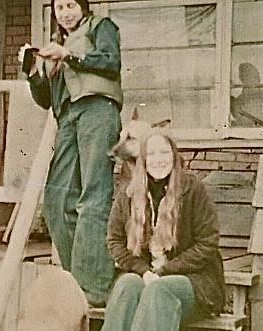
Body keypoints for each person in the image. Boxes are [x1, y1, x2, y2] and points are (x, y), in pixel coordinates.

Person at [19, 0, 123, 307]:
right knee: (56, 199)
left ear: (83, 6)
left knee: (93, 195)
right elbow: (45, 100)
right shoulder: (58, 43)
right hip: (67, 117)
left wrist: (70, 56)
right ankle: (77, 279)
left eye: (70, 5)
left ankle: (94, 289)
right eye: (59, 7)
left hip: (97, 109)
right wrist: (33, 72)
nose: (65, 12)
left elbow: (110, 61)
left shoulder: (100, 27)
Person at [101, 132, 225, 331]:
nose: (159, 160)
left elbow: (208, 242)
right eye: (152, 154)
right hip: (147, 275)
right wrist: (143, 271)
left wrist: (164, 272)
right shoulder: (129, 193)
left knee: (159, 290)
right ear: (143, 159)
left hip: (194, 282)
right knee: (127, 284)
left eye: (164, 153)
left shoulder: (191, 188)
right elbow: (114, 240)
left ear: (174, 156)